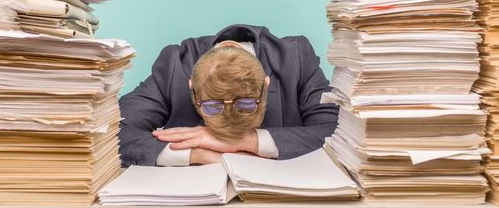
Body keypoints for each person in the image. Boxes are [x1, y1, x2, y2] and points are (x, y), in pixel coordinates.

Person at [118, 24, 338, 167]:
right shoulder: (175, 63)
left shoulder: (296, 57)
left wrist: (247, 141)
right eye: (212, 106)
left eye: (247, 105)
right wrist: (197, 154)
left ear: (265, 84)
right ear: (192, 88)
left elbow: (337, 131)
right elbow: (112, 130)